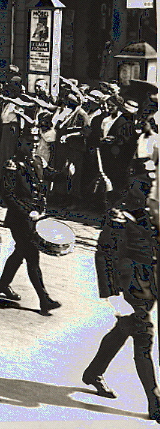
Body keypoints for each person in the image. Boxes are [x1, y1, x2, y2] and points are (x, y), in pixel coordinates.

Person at [81, 156, 159, 423]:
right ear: (132, 178)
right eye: (144, 178)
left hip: (149, 285)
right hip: (129, 287)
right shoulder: (119, 211)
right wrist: (112, 295)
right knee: (143, 339)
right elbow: (104, 254)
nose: (150, 182)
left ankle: (93, 372)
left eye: (152, 177)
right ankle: (155, 401)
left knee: (123, 331)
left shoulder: (149, 207)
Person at [0, 127, 61, 313]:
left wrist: (66, 173)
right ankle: (44, 299)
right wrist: (26, 212)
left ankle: (2, 283)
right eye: (29, 143)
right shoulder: (12, 165)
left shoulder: (38, 161)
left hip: (35, 217)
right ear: (20, 143)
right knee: (32, 256)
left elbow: (50, 175)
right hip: (19, 219)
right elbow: (8, 195)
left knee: (21, 252)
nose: (33, 146)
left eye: (35, 143)